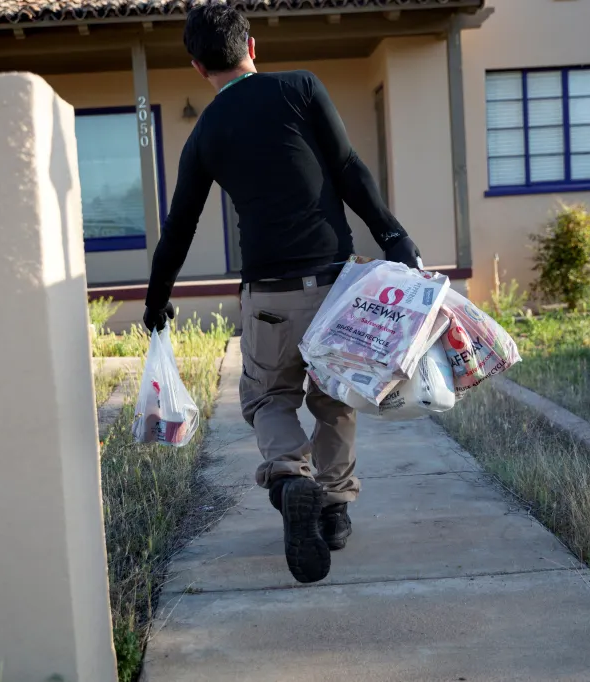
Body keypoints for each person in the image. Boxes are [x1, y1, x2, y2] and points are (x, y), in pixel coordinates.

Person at [142, 3, 422, 584]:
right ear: (253, 48)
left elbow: (180, 228)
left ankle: (291, 480)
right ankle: (336, 510)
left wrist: (156, 299)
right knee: (333, 397)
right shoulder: (301, 88)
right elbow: (347, 168)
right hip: (334, 286)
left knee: (270, 398)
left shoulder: (204, 134)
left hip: (268, 294)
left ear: (198, 67)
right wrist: (394, 236)